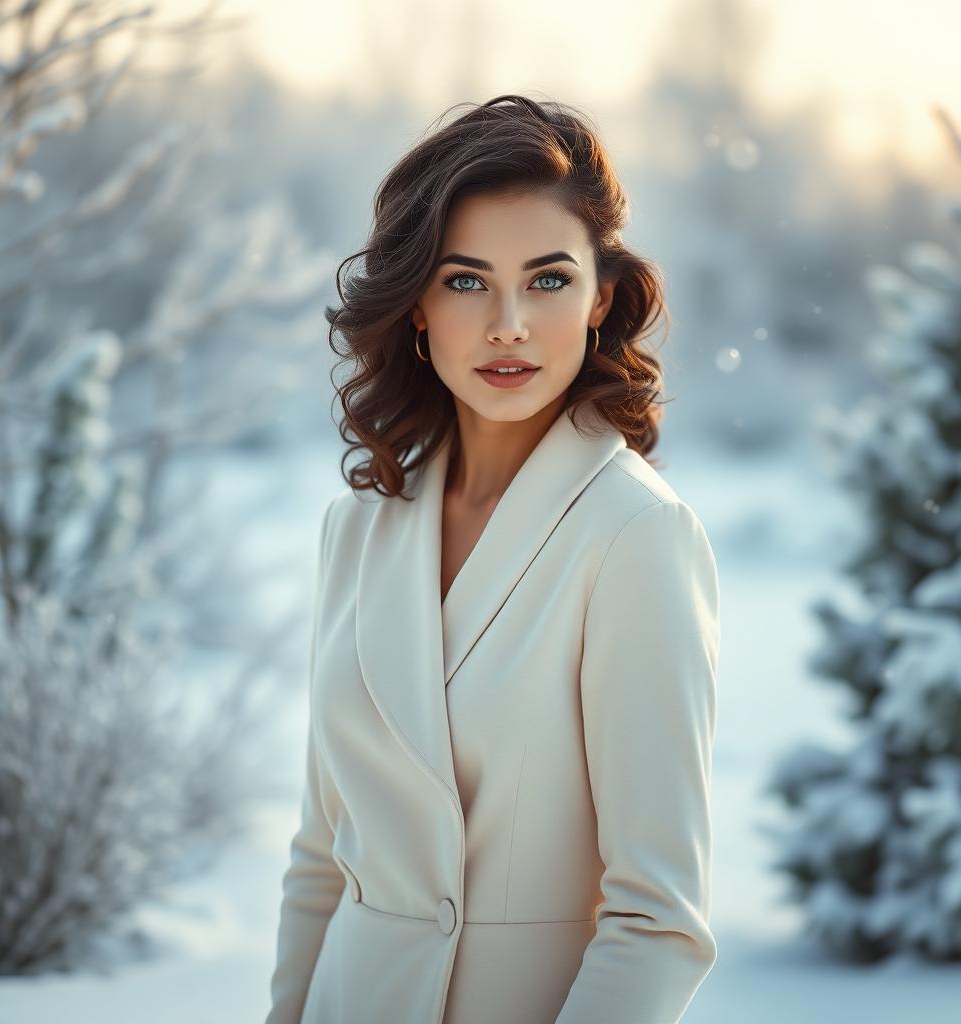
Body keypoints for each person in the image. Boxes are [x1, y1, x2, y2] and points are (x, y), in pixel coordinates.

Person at [266, 94, 721, 1024]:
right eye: (466, 281)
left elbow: (658, 920)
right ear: (418, 307)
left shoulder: (635, 537)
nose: (508, 323)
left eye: (548, 280)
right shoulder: (356, 527)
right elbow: (322, 856)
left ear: (600, 298)